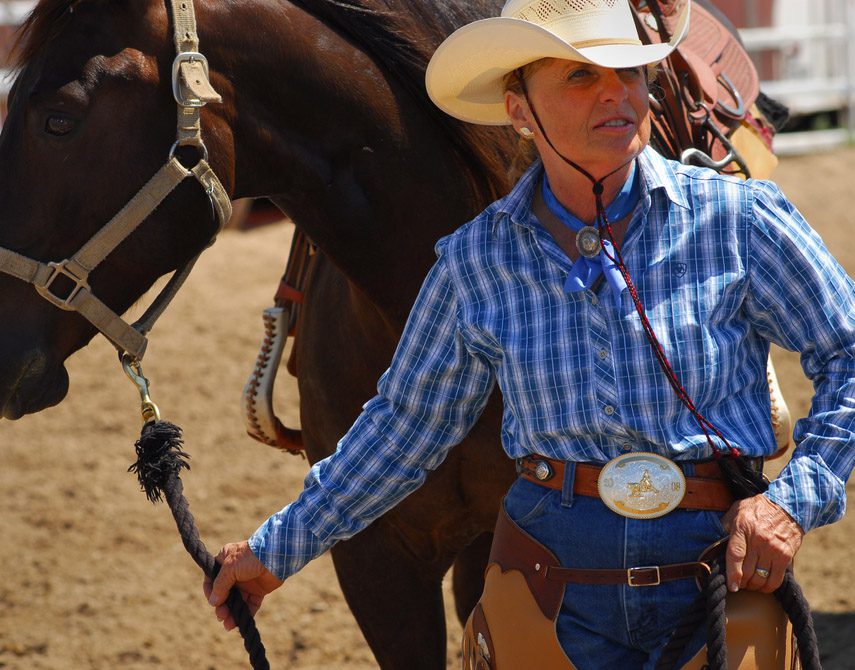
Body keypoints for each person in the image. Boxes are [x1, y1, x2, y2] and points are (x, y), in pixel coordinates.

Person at [205, 0, 855, 666]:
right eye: (578, 75)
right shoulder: (476, 261)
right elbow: (403, 427)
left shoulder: (738, 218)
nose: (615, 92)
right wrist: (274, 550)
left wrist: (791, 503)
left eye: (628, 73)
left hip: (719, 574)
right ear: (519, 108)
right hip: (552, 583)